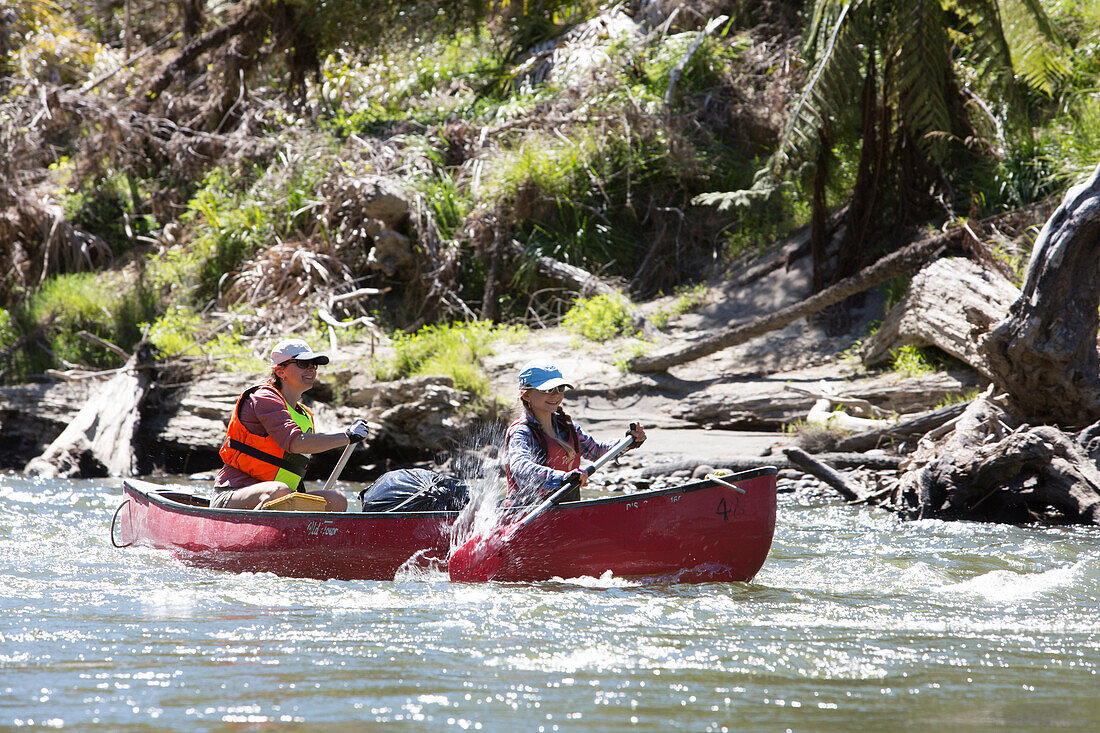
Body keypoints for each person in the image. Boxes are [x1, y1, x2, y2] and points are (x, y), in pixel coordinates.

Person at [212, 338, 369, 511]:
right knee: (278, 491)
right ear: (280, 371)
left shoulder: (304, 414)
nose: (311, 369)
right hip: (233, 494)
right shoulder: (263, 397)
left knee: (336, 499)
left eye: (313, 364)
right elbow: (294, 442)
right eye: (303, 363)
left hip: (283, 499)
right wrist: (346, 436)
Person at [504, 360, 646, 506]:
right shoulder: (521, 432)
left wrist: (628, 442)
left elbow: (597, 451)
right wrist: (562, 478)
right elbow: (520, 466)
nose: (555, 395)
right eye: (546, 390)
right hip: (527, 512)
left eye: (560, 388)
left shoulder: (567, 427)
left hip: (566, 510)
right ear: (526, 395)